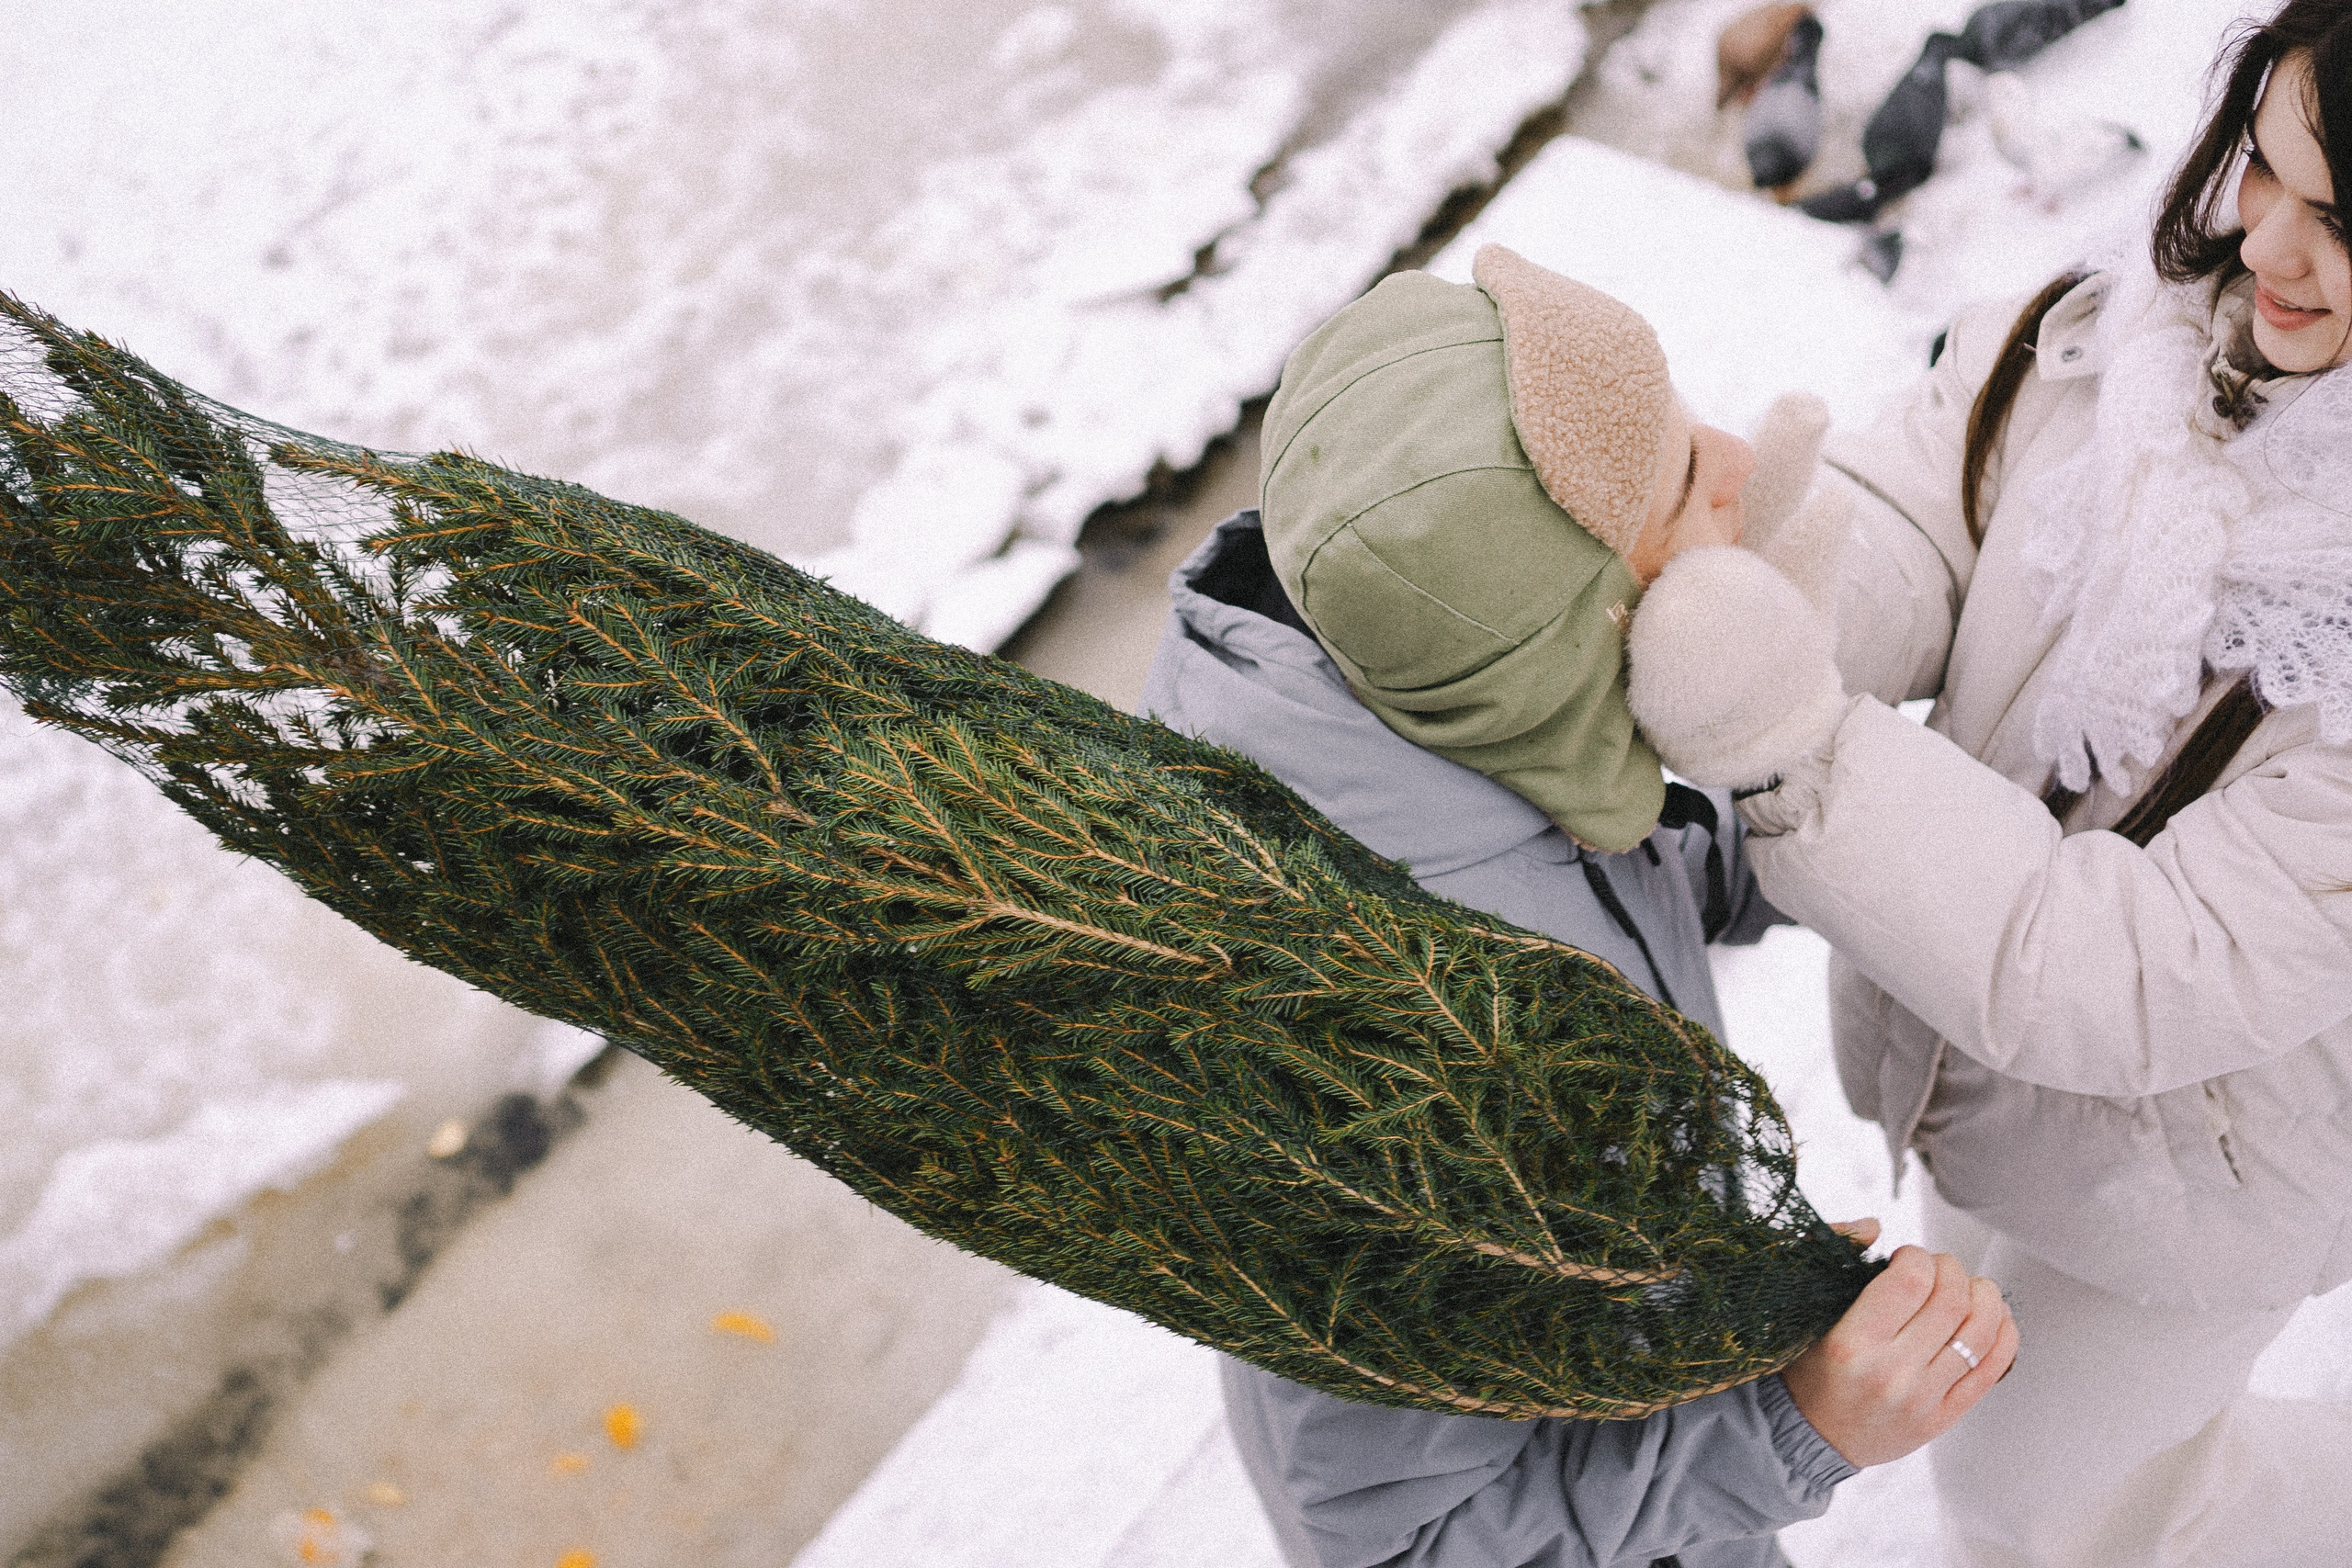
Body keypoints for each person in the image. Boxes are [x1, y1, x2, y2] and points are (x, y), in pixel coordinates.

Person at [1139, 243, 2017, 1568]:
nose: (1735, 458)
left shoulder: (1413, 710)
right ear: (1564, 632)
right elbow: (1411, 1544)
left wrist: (1786, 753)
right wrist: (1790, 1426)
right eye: (1679, 484)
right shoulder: (1392, 1060)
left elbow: (1635, 870)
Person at [1625, 4, 2352, 1562]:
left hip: (2206, 1180)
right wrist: (1757, 579)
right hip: (1974, 1064)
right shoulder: (2109, 343)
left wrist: (1789, 746)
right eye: (2264, 171)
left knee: (2055, 1513)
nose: (2267, 248)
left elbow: (2143, 968)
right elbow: (1928, 529)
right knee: (2029, 1469)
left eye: (2341, 217)